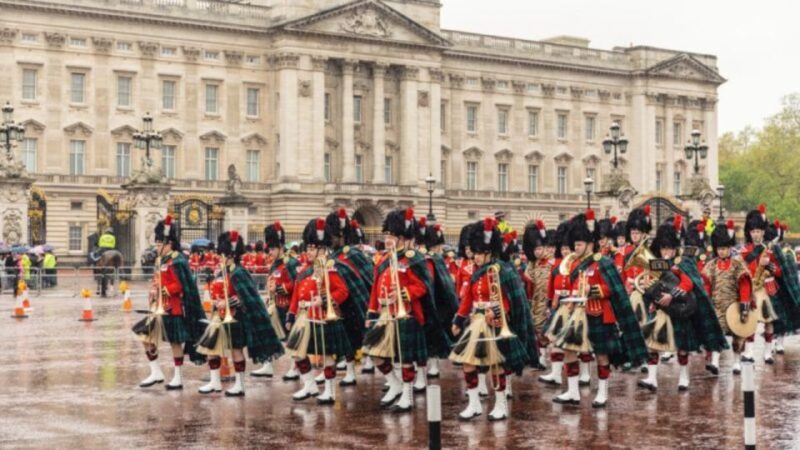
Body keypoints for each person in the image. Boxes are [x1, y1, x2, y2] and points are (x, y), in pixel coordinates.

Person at [552, 210, 648, 408]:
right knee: (569, 350)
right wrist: (569, 300)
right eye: (574, 244)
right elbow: (571, 286)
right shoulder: (573, 264)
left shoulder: (602, 262)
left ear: (589, 243)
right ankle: (572, 391)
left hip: (598, 314)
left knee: (602, 354)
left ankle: (603, 392)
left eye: (578, 244)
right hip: (577, 314)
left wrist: (593, 290)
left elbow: (612, 288)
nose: (575, 248)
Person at [450, 218, 537, 421]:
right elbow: (468, 298)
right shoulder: (476, 271)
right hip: (477, 321)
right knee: (468, 364)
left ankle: (500, 405)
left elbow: (508, 300)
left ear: (489, 251)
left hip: (496, 323)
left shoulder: (502, 270)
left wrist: (496, 312)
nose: (475, 256)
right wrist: (458, 319)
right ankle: (473, 404)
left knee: (497, 367)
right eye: (474, 252)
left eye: (479, 252)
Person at [363, 208, 448, 412]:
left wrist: (403, 294)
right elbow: (376, 288)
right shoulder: (383, 260)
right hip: (385, 313)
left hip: (407, 314)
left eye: (391, 236)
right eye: (387, 235)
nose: (387, 239)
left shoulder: (412, 258)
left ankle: (407, 396)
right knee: (373, 353)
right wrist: (371, 312)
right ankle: (394, 384)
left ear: (402, 238)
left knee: (405, 359)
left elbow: (422, 286)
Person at [637, 216, 728, 392]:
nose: (667, 252)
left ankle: (684, 376)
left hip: (678, 309)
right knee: (653, 345)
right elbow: (650, 285)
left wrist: (671, 295)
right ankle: (652, 378)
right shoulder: (655, 264)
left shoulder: (682, 263)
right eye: (664, 248)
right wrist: (650, 298)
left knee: (682, 347)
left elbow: (689, 284)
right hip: (662, 311)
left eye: (670, 248)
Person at [196, 230, 285, 396]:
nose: (219, 257)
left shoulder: (239, 272)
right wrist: (216, 301)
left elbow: (244, 297)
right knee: (211, 348)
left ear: (230, 254)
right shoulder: (224, 271)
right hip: (219, 315)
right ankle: (215, 382)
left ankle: (240, 384)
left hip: (235, 316)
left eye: (223, 254)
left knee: (236, 350)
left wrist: (227, 302)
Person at [284, 218, 360, 405]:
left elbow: (342, 291)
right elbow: (296, 294)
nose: (308, 252)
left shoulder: (329, 267)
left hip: (323, 317)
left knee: (326, 356)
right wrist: (291, 314)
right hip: (304, 317)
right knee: (297, 353)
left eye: (312, 248)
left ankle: (329, 390)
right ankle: (309, 384)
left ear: (321, 249)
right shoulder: (304, 269)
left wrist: (324, 300)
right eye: (308, 248)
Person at [133, 216, 206, 390]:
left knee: (175, 343)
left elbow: (180, 286)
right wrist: (153, 290)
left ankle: (178, 377)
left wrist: (163, 288)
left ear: (169, 244)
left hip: (173, 309)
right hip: (159, 307)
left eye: (159, 245)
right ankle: (156, 371)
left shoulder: (177, 260)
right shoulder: (161, 260)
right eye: (157, 245)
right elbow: (157, 280)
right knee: (145, 336)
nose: (157, 248)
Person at [702, 219, 753, 375]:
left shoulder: (738, 265)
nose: (722, 252)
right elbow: (707, 286)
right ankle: (715, 363)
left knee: (737, 335)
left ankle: (737, 362)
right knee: (717, 334)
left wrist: (744, 306)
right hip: (717, 306)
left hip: (734, 306)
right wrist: (706, 303)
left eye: (724, 248)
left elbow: (744, 286)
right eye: (719, 249)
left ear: (730, 248)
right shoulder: (710, 265)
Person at [253, 222, 301, 379]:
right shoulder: (275, 264)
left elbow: (296, 285)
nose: (270, 252)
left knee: (292, 340)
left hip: (287, 307)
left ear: (281, 246)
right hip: (275, 305)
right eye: (270, 248)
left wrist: (279, 288)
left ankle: (295, 368)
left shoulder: (291, 263)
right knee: (268, 334)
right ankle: (267, 365)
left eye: (273, 248)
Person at [522, 219, 554, 369]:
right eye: (535, 249)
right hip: (535, 301)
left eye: (540, 248)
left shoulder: (552, 263)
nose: (537, 252)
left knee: (546, 331)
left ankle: (551, 360)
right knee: (537, 331)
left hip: (548, 301)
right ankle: (541, 357)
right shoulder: (531, 265)